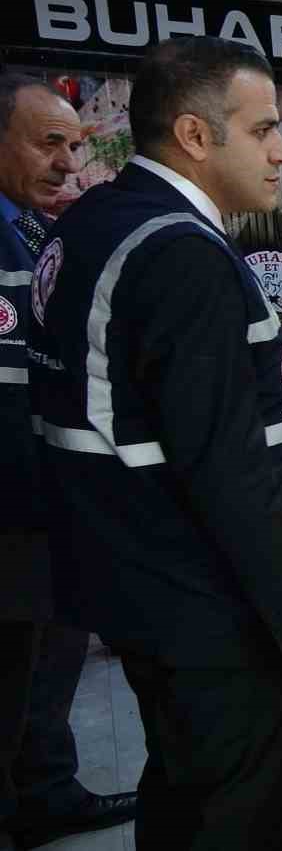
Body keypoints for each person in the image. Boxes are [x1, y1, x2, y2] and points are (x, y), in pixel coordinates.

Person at [28, 37, 282, 850]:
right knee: (234, 818)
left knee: (183, 789)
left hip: (138, 583)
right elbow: (226, 470)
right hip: (208, 608)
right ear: (196, 136)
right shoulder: (180, 252)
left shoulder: (96, 222)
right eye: (263, 129)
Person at [0, 73, 137, 851]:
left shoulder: (27, 229)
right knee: (17, 667)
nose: (66, 163)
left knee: (40, 665)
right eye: (48, 142)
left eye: (75, 145)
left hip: (40, 502)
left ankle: (45, 791)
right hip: (17, 506)